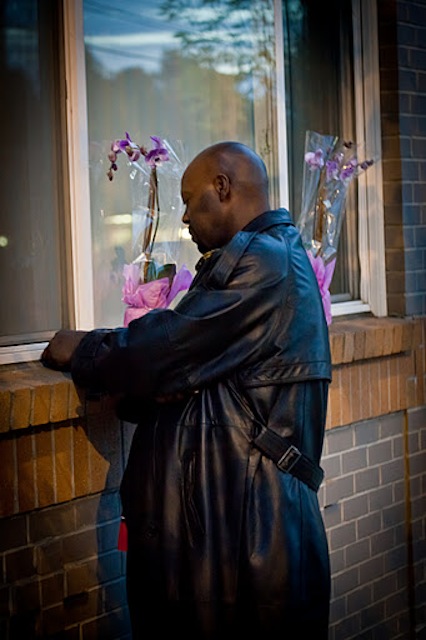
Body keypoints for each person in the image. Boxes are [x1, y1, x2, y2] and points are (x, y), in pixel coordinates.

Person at [41, 141, 332, 638]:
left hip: (247, 545)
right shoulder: (259, 258)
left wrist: (82, 347)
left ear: (223, 187)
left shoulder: (265, 263)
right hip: (232, 536)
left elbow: (166, 350)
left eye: (189, 199)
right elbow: (187, 368)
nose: (182, 218)